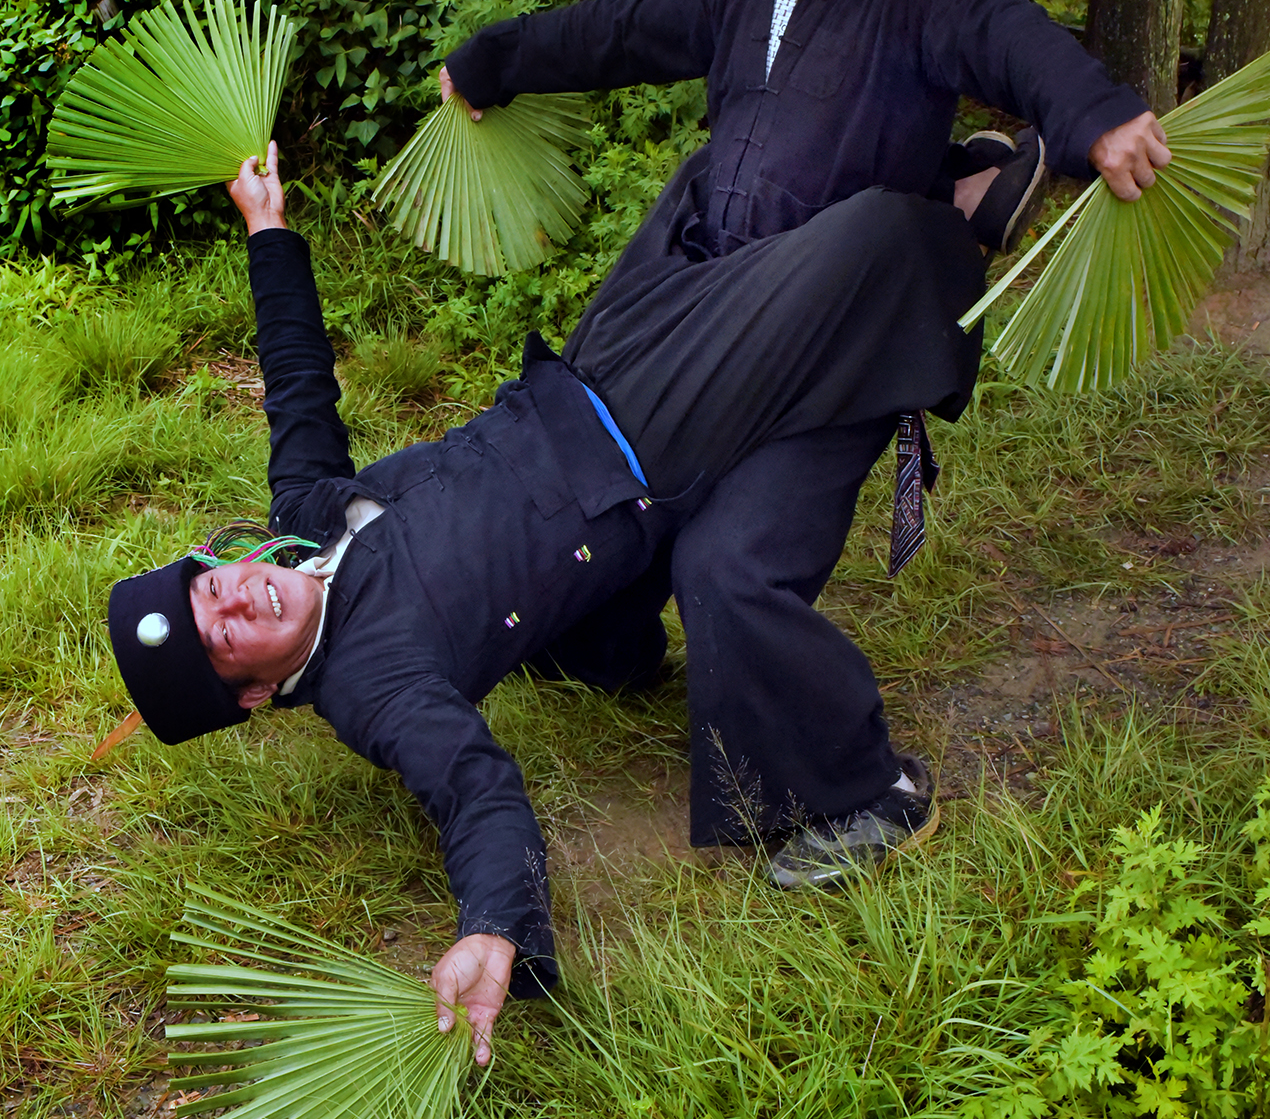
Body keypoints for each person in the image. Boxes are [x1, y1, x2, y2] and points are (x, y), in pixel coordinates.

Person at [438, 0, 1171, 884]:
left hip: (836, 345)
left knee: (726, 569)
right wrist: (492, 59)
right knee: (621, 491)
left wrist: (1093, 113)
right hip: (709, 311)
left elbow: (1009, 34)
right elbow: (620, 31)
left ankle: (869, 792)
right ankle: (604, 647)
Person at [107, 144, 984, 1065]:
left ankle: (925, 150)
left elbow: (295, 387)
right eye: (225, 637)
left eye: (211, 586)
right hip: (644, 446)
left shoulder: (303, 519)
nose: (238, 599)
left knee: (724, 174)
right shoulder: (373, 687)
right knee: (855, 253)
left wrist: (266, 227)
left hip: (575, 378)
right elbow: (476, 790)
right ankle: (969, 217)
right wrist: (494, 926)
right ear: (251, 696)